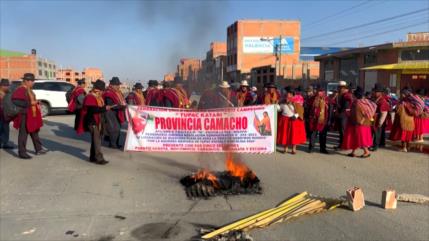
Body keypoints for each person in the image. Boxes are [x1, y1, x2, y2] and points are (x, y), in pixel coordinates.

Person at [12, 73, 48, 159]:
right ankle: (22, 152)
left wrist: (36, 102)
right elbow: (15, 100)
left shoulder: (28, 89)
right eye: (32, 81)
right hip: (24, 115)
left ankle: (38, 149)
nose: (33, 83)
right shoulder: (20, 89)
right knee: (23, 134)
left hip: (31, 115)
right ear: (26, 81)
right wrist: (30, 103)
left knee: (34, 132)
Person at [77, 80, 110, 165]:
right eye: (102, 90)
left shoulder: (97, 96)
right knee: (97, 140)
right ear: (99, 89)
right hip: (92, 121)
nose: (103, 91)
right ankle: (99, 158)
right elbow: (93, 110)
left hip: (96, 121)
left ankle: (92, 157)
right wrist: (105, 108)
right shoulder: (90, 97)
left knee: (95, 140)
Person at [341, 86, 376, 158]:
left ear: (356, 96)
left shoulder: (356, 103)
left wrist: (348, 114)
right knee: (356, 138)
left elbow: (355, 113)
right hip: (366, 123)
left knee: (360, 138)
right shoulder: (366, 101)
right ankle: (353, 152)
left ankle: (366, 152)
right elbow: (370, 112)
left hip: (358, 123)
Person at [276, 87, 306, 154]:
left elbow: (301, 111)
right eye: (287, 93)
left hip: (293, 120)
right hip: (285, 120)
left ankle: (293, 149)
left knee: (293, 135)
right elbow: (280, 109)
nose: (287, 94)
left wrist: (296, 116)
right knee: (285, 134)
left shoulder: (296, 101)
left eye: (289, 93)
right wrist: (276, 105)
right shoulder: (282, 101)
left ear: (292, 94)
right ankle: (285, 148)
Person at [103, 77, 127, 148]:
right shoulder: (108, 93)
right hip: (110, 113)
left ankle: (116, 143)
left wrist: (123, 105)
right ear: (112, 85)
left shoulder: (118, 92)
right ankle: (112, 144)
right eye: (116, 85)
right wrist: (121, 106)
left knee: (118, 128)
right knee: (114, 129)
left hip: (117, 112)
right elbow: (110, 104)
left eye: (118, 85)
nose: (118, 86)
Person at [307, 86, 330, 154]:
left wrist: (329, 119)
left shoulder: (326, 99)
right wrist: (309, 117)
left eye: (321, 91)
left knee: (323, 134)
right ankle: (311, 147)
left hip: (323, 119)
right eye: (318, 91)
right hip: (314, 119)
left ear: (323, 92)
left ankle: (323, 148)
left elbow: (330, 109)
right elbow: (308, 108)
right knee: (313, 134)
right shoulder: (312, 99)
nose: (319, 92)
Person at [370, 84, 390, 151]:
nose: (375, 93)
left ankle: (376, 145)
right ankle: (375, 144)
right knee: (374, 131)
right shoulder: (376, 99)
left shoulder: (382, 101)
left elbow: (384, 112)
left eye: (376, 92)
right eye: (375, 91)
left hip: (378, 118)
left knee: (377, 132)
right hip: (374, 117)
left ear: (380, 93)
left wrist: (380, 122)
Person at [335, 81, 353, 149]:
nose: (339, 89)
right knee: (341, 131)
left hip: (344, 115)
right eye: (339, 87)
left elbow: (346, 106)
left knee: (343, 131)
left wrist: (339, 110)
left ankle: (344, 145)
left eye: (341, 88)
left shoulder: (346, 95)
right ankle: (341, 144)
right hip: (341, 115)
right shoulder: (340, 95)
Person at [0, 79, 13, 149]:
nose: (8, 87)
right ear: (2, 86)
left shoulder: (7, 92)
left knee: (6, 129)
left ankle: (5, 143)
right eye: (6, 86)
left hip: (6, 114)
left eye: (8, 85)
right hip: (0, 114)